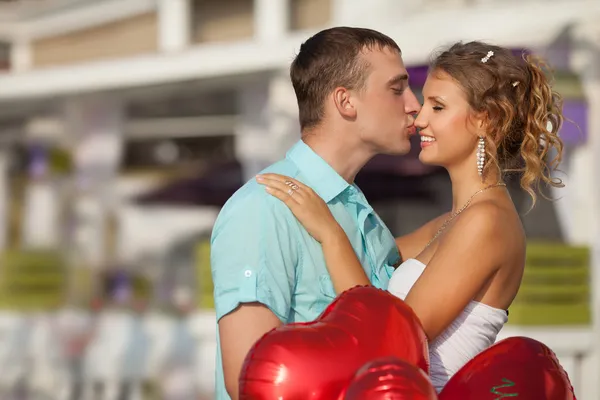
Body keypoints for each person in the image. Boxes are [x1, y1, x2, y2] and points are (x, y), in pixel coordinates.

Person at [257, 41, 564, 392]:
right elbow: (367, 260)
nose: (420, 119)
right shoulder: (451, 220)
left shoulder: (487, 222)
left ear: (485, 119)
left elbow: (391, 344)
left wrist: (330, 233)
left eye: (438, 107)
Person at [210, 27, 421, 399]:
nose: (413, 104)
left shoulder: (355, 207)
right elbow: (250, 377)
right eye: (396, 88)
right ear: (346, 102)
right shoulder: (264, 208)